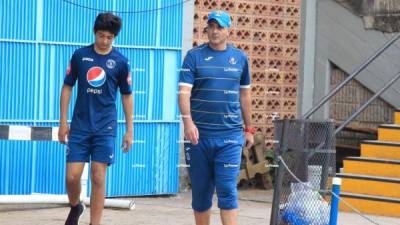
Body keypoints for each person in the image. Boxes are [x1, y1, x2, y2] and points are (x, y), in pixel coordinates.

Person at [178, 10, 255, 225]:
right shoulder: (194, 56)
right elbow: (183, 93)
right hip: (199, 137)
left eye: (219, 27)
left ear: (228, 30)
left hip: (230, 137)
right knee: (201, 194)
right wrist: (188, 122)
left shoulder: (240, 58)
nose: (214, 31)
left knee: (227, 191)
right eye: (211, 26)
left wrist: (249, 129)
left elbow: (245, 94)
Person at [58, 12, 133, 225]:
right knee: (72, 177)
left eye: (109, 37)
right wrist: (63, 122)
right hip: (80, 125)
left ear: (114, 37)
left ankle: (95, 223)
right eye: (101, 35)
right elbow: (67, 87)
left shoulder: (121, 62)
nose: (104, 41)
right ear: (94, 32)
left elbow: (127, 96)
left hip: (105, 127)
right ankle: (76, 206)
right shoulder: (80, 56)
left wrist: (130, 129)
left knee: (98, 177)